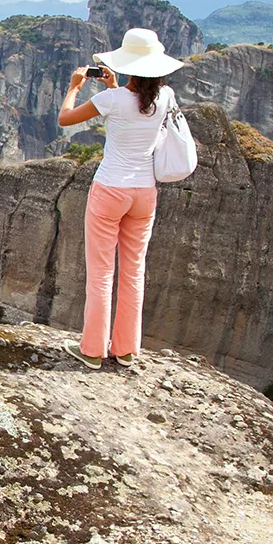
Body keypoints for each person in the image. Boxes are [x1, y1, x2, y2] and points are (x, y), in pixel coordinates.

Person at [56, 28, 185, 370]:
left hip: (110, 191)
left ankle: (93, 351)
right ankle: (126, 350)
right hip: (145, 195)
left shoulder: (112, 101)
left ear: (127, 64)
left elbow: (65, 118)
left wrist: (74, 87)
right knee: (133, 271)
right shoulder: (167, 97)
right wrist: (113, 88)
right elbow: (137, 109)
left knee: (101, 272)